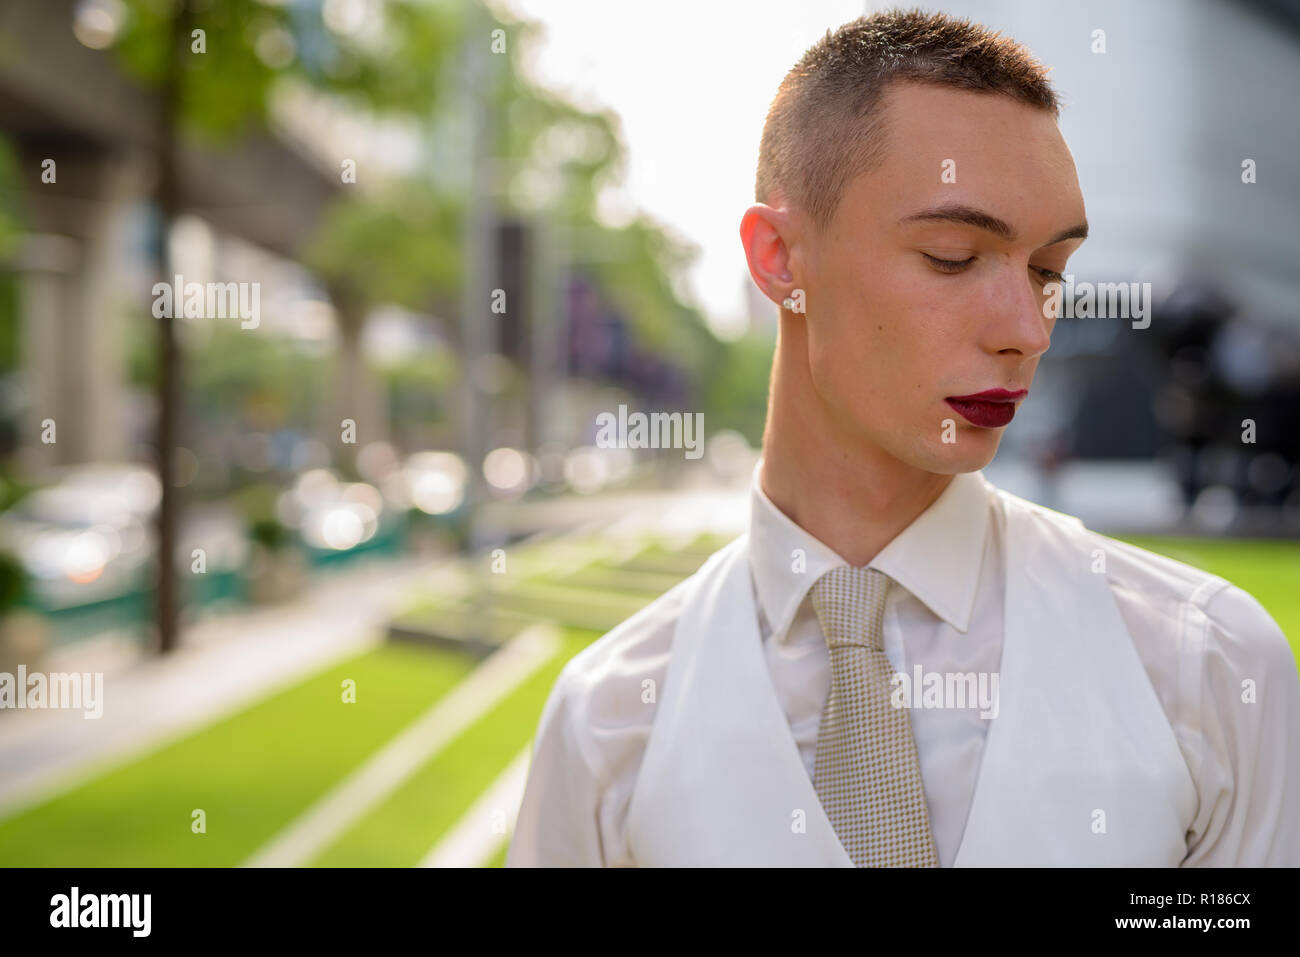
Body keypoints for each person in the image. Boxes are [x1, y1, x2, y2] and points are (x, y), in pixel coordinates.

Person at [506, 9, 1300, 867]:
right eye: (953, 256)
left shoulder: (1209, 670)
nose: (1027, 329)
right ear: (778, 257)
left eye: (1049, 270)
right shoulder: (606, 726)